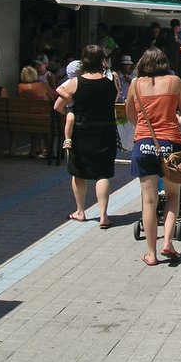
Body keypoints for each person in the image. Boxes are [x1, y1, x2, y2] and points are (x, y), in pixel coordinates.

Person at [126, 47, 181, 266]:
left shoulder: (135, 84)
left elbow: (130, 115)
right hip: (171, 144)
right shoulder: (174, 82)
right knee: (173, 196)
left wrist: (144, 130)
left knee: (149, 201)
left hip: (143, 144)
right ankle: (168, 242)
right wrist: (178, 125)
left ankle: (151, 254)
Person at [53, 46, 117, 229]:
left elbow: (58, 106)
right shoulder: (110, 82)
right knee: (103, 173)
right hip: (105, 131)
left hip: (82, 132)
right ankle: (104, 215)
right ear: (102, 61)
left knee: (79, 172)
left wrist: (71, 111)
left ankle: (80, 211)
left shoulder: (75, 82)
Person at [18, 65, 56, 157]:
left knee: (36, 122)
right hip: (44, 117)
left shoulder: (20, 87)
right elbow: (54, 95)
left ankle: (33, 150)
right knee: (46, 122)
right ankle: (49, 151)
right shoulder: (42, 85)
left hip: (28, 117)